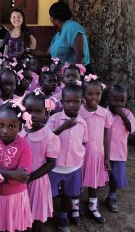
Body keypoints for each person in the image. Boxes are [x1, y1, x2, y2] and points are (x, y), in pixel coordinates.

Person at [0, 102, 33, 232]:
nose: (5, 131)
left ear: (20, 127)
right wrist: (13, 174)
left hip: (15, 197)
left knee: (14, 227)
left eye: (12, 126)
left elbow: (23, 177)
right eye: (1, 125)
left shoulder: (24, 146)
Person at [46, 85, 88, 232]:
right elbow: (47, 138)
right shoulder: (54, 118)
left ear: (81, 102)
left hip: (74, 167)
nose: (72, 104)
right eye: (68, 101)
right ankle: (47, 214)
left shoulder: (83, 122)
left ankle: (63, 217)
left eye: (76, 101)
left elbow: (84, 142)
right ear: (62, 102)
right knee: (50, 194)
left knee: (68, 195)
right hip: (55, 167)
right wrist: (63, 127)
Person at [21, 92, 60, 232]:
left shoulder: (49, 136)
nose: (33, 115)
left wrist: (31, 177)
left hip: (37, 182)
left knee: (37, 215)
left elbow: (51, 163)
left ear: (46, 112)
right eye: (29, 110)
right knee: (22, 213)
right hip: (19, 181)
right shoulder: (19, 131)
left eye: (38, 111)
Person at [79, 75, 113, 224]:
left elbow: (106, 136)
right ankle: (74, 206)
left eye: (97, 94)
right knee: (77, 181)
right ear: (83, 95)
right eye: (90, 93)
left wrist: (106, 156)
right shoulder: (79, 111)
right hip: (80, 154)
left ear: (101, 94)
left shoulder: (104, 113)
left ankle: (93, 206)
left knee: (93, 182)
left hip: (97, 153)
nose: (94, 97)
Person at [29, 2, 93, 73]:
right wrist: (27, 51)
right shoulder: (58, 35)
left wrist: (74, 74)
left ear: (52, 18)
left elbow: (80, 55)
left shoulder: (72, 27)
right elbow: (47, 53)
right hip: (65, 75)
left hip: (77, 75)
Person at [105, 85, 135, 212]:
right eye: (115, 100)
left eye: (122, 100)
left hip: (119, 153)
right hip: (103, 152)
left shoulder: (128, 113)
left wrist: (123, 115)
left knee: (116, 177)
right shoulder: (103, 112)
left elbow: (131, 128)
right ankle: (93, 198)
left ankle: (112, 197)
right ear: (108, 99)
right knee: (101, 176)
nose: (119, 103)